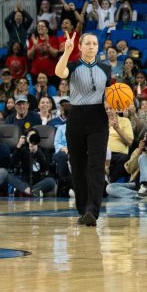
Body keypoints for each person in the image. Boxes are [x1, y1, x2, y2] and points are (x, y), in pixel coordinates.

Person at [54, 32, 111, 226]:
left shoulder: (106, 68)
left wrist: (118, 106)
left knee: (96, 165)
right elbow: (58, 72)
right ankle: (82, 209)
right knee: (78, 166)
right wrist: (66, 52)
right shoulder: (73, 65)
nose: (92, 46)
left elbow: (111, 95)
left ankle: (92, 211)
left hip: (98, 119)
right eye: (87, 43)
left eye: (95, 43)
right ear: (80, 46)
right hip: (76, 118)